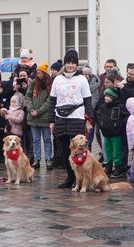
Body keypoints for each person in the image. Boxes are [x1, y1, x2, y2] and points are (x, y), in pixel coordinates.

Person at [49, 49, 93, 188]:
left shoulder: (81, 79)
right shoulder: (58, 79)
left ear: (77, 64)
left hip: (77, 117)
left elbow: (88, 101)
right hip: (61, 117)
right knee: (64, 150)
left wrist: (88, 120)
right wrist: (51, 121)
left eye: (73, 63)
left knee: (78, 150)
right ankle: (69, 177)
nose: (70, 65)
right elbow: (52, 101)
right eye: (68, 62)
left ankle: (79, 179)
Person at [94, 88, 127, 176]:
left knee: (116, 151)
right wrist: (101, 124)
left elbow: (125, 116)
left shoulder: (119, 107)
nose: (106, 98)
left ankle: (117, 167)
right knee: (108, 150)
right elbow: (98, 115)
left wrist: (119, 125)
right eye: (105, 96)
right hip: (106, 132)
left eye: (108, 96)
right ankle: (108, 167)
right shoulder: (103, 106)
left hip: (116, 132)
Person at [26, 63, 53, 171]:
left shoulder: (49, 84)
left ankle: (48, 159)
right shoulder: (33, 83)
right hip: (33, 117)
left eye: (41, 73)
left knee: (47, 139)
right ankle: (36, 159)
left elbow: (49, 100)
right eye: (37, 73)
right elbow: (27, 96)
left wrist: (39, 111)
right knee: (35, 139)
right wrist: (31, 109)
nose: (38, 75)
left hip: (44, 117)